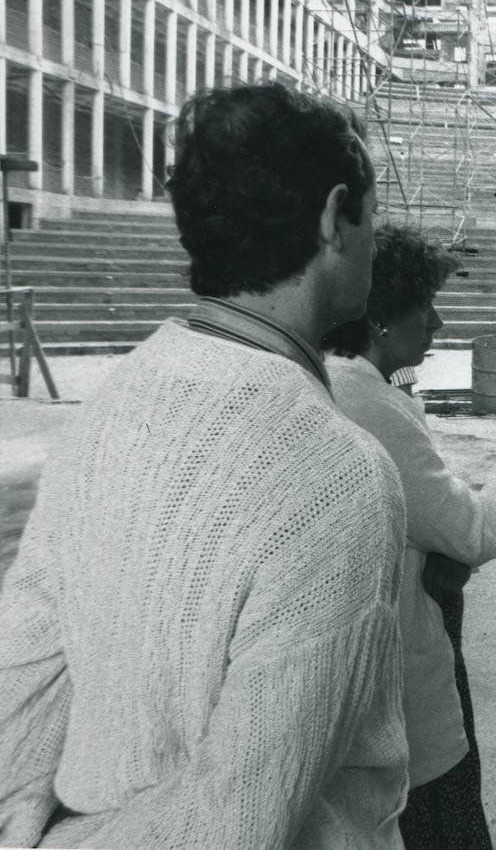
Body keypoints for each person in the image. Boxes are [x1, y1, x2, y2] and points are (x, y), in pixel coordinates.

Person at [0, 83, 409, 847]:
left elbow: (17, 700)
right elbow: (239, 822)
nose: (375, 241)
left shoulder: (110, 405)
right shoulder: (340, 472)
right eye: (372, 216)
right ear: (332, 219)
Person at [322, 223, 496, 850]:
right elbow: (470, 530)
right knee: (440, 815)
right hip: (399, 674)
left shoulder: (352, 386)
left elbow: (429, 513)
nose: (437, 323)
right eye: (426, 308)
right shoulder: (368, 405)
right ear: (383, 318)